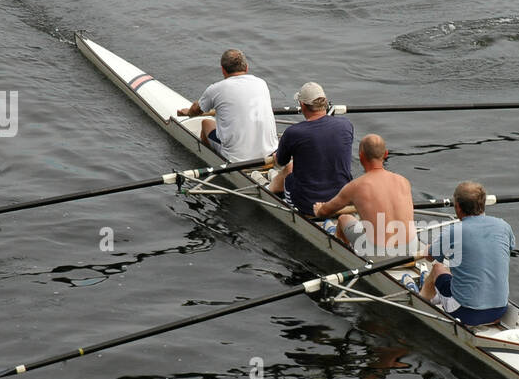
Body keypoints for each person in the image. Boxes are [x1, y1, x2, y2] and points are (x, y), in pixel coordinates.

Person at [420, 181, 514, 326]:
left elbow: (429, 256)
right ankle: (443, 297)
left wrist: (429, 248)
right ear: (483, 204)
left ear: (457, 207)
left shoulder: (453, 231)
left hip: (466, 314)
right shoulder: (503, 226)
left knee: (438, 268)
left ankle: (421, 300)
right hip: (499, 310)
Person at [313, 134, 415, 255]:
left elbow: (325, 212)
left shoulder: (356, 186)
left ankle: (342, 250)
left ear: (361, 156)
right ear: (386, 154)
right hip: (412, 248)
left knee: (343, 219)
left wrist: (319, 209)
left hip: (380, 253)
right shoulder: (403, 181)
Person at [175, 49, 278, 162]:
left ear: (223, 70)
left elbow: (196, 110)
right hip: (271, 152)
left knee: (206, 123)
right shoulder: (261, 83)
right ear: (246, 67)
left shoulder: (216, 89)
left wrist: (188, 112)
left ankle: (209, 159)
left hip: (237, 159)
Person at [268, 82, 354, 216]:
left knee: (289, 169)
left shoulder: (293, 132)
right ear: (325, 103)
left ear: (302, 105)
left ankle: (267, 189)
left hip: (308, 204)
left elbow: (280, 162)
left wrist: (276, 157)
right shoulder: (346, 125)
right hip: (343, 199)